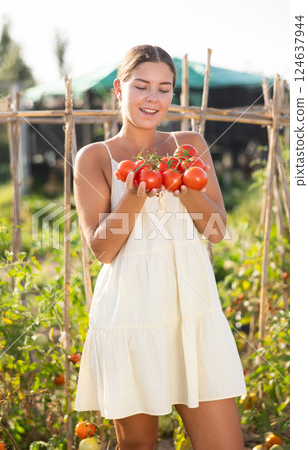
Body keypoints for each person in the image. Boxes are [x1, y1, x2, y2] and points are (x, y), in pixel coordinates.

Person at [74, 44, 246, 450]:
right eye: (142, 86)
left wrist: (184, 185)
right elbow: (102, 250)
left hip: (194, 313)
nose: (153, 98)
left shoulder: (189, 144)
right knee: (138, 447)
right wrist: (133, 193)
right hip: (131, 319)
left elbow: (217, 230)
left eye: (164, 88)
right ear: (120, 89)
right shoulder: (94, 157)